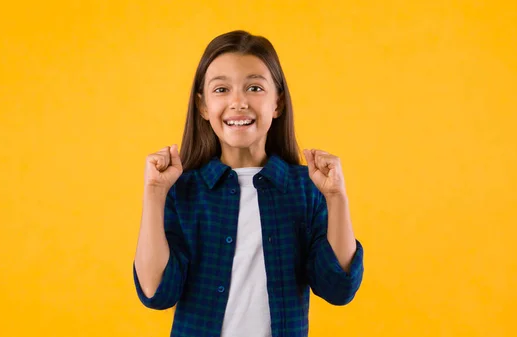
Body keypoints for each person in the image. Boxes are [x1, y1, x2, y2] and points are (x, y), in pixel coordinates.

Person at [133, 30, 364, 337]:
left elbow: (338, 288)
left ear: (277, 102)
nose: (238, 102)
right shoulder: (183, 192)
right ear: (202, 107)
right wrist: (154, 194)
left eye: (254, 87)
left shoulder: (307, 189)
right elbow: (155, 292)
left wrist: (336, 198)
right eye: (221, 90)